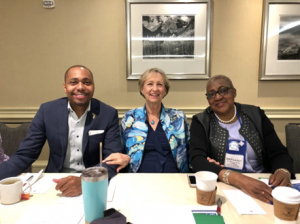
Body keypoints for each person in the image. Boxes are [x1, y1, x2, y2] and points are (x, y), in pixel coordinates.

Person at [0, 65, 122, 196]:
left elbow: (112, 159)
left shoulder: (108, 114)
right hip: (55, 182)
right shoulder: (47, 111)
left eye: (86, 82)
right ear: (65, 87)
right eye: (73, 82)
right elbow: (26, 154)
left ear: (93, 86)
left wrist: (86, 181)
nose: (80, 87)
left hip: (95, 182)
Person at [190, 75, 294, 203]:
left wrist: (283, 172)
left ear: (234, 92)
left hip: (261, 182)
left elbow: (278, 153)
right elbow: (197, 160)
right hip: (226, 185)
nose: (217, 97)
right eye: (211, 94)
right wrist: (240, 180)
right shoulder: (201, 121)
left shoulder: (256, 115)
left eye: (223, 90)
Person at [103, 68, 190, 173]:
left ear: (165, 90)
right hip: (138, 179)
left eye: (160, 84)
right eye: (150, 84)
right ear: (142, 89)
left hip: (174, 178)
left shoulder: (178, 117)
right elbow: (120, 150)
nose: (155, 89)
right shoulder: (129, 118)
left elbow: (189, 151)